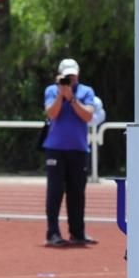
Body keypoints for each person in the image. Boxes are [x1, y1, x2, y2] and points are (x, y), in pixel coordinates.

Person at [42, 58, 98, 247]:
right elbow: (51, 113)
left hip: (78, 149)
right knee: (55, 191)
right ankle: (53, 233)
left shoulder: (86, 92)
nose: (71, 79)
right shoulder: (51, 90)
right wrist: (61, 95)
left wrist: (72, 99)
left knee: (77, 193)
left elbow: (88, 115)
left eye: (73, 75)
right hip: (55, 149)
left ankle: (77, 232)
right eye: (67, 76)